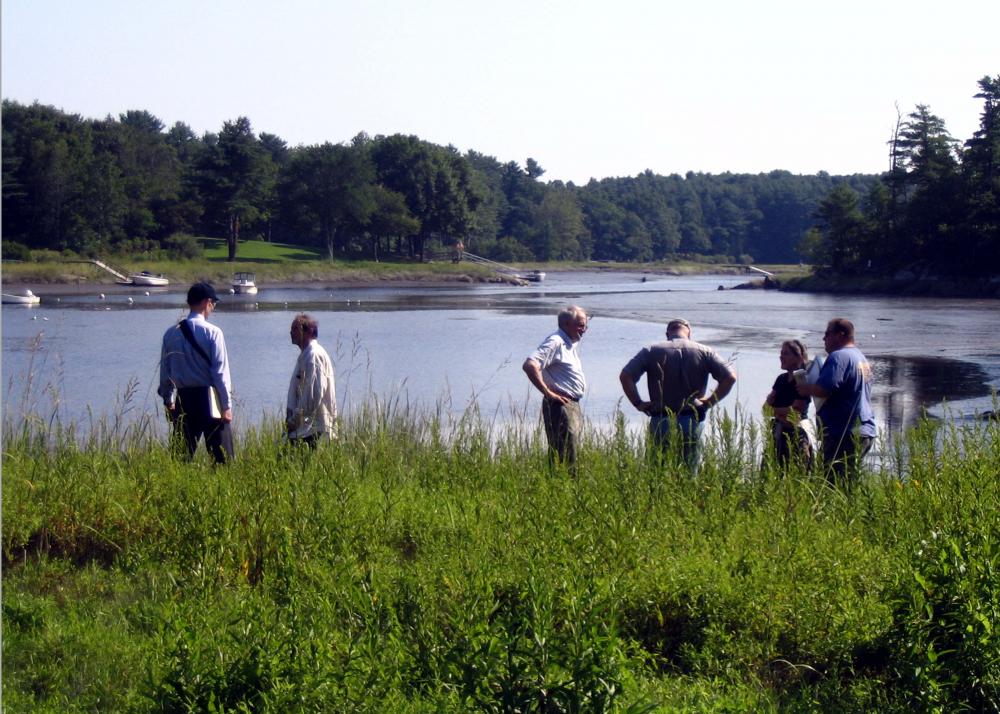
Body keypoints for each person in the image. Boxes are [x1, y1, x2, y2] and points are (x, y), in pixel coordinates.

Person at [620, 318, 736, 470]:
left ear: (668, 333)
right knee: (689, 472)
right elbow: (730, 377)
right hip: (692, 418)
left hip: (661, 420)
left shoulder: (651, 351)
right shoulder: (705, 351)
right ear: (689, 332)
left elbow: (625, 376)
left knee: (657, 472)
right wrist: (708, 403)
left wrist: (638, 403)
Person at [158, 282, 234, 463]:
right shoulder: (214, 332)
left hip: (183, 398)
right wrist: (226, 405)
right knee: (222, 460)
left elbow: (165, 371)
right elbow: (220, 373)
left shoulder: (171, 333)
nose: (213, 308)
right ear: (207, 302)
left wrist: (168, 400)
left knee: (180, 459)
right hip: (210, 398)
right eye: (213, 304)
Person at [797, 318, 876, 482]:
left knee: (833, 485)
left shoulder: (838, 357)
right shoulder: (860, 357)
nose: (823, 338)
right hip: (863, 429)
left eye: (827, 334)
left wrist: (805, 388)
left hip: (844, 433)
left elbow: (824, 388)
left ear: (840, 335)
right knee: (849, 483)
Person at [522, 306, 588, 469]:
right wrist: (549, 393)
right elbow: (530, 365)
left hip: (569, 405)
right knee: (565, 456)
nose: (584, 330)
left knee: (569, 453)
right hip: (561, 406)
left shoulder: (568, 343)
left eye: (585, 325)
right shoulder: (556, 341)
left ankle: (564, 489)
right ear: (566, 324)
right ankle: (562, 489)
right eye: (580, 325)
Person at [763, 339, 816, 470]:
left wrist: (775, 410)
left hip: (797, 432)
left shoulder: (802, 378)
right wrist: (780, 412)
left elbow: (796, 410)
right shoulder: (781, 379)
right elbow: (765, 409)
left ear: (798, 356)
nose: (781, 356)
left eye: (786, 353)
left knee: (798, 470)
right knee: (769, 470)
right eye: (781, 353)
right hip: (778, 431)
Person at [286, 313, 337, 447]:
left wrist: (294, 421)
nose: (290, 332)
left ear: (307, 331)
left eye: (295, 329)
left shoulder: (314, 356)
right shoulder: (307, 355)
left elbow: (312, 395)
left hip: (311, 431)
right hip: (304, 430)